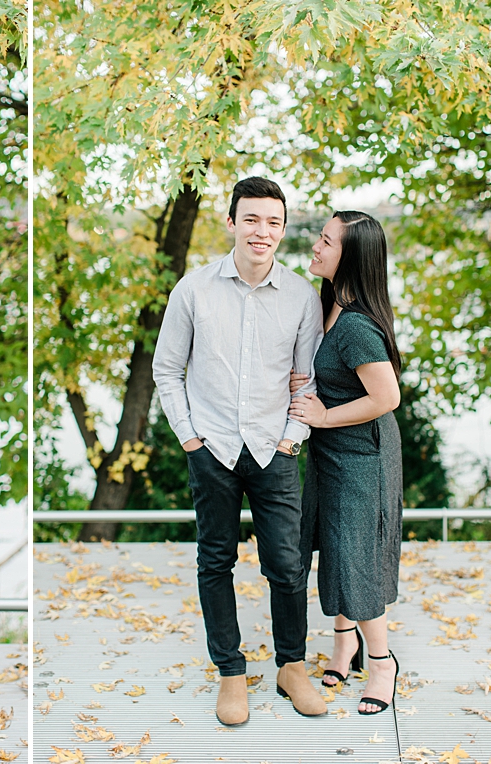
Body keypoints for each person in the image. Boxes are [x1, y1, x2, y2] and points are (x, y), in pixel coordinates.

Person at [152, 176, 325, 726]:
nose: (263, 231)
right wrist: (189, 438)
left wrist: (291, 439)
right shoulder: (193, 290)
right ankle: (230, 673)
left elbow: (307, 380)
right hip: (213, 450)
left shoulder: (301, 296)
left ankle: (291, 667)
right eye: (251, 219)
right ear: (231, 223)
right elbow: (166, 369)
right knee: (215, 561)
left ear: (282, 228)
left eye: (273, 222)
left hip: (276, 450)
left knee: (288, 564)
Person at [288, 210, 403, 715]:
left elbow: (387, 397)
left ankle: (382, 664)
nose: (316, 246)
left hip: (363, 458)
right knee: (331, 551)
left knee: (356, 559)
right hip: (331, 452)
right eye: (320, 236)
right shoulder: (329, 303)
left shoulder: (357, 325)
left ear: (350, 256)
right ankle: (344, 646)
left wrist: (324, 415)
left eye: (327, 242)